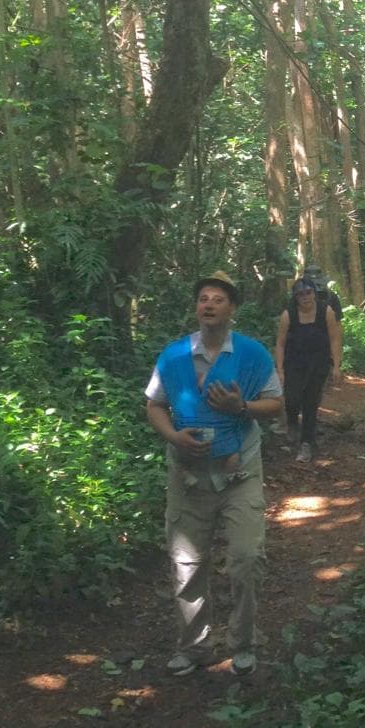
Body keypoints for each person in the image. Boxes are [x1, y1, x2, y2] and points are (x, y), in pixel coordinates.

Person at [145, 271, 283, 679]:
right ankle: (193, 647)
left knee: (246, 558)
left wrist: (241, 407)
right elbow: (155, 404)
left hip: (240, 473)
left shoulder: (252, 354)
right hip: (188, 475)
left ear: (232, 309)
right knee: (187, 563)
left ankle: (243, 643)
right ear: (196, 307)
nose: (209, 304)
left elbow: (275, 404)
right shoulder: (173, 356)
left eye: (218, 299)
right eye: (203, 298)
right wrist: (174, 437)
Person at [275, 277, 342, 463]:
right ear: (295, 297)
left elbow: (334, 339)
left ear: (314, 293)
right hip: (294, 363)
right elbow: (280, 344)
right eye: (301, 294)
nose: (305, 297)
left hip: (318, 363)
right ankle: (292, 423)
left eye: (308, 292)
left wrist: (337, 365)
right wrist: (280, 370)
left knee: (311, 402)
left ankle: (306, 442)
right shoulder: (288, 315)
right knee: (292, 399)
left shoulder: (326, 312)